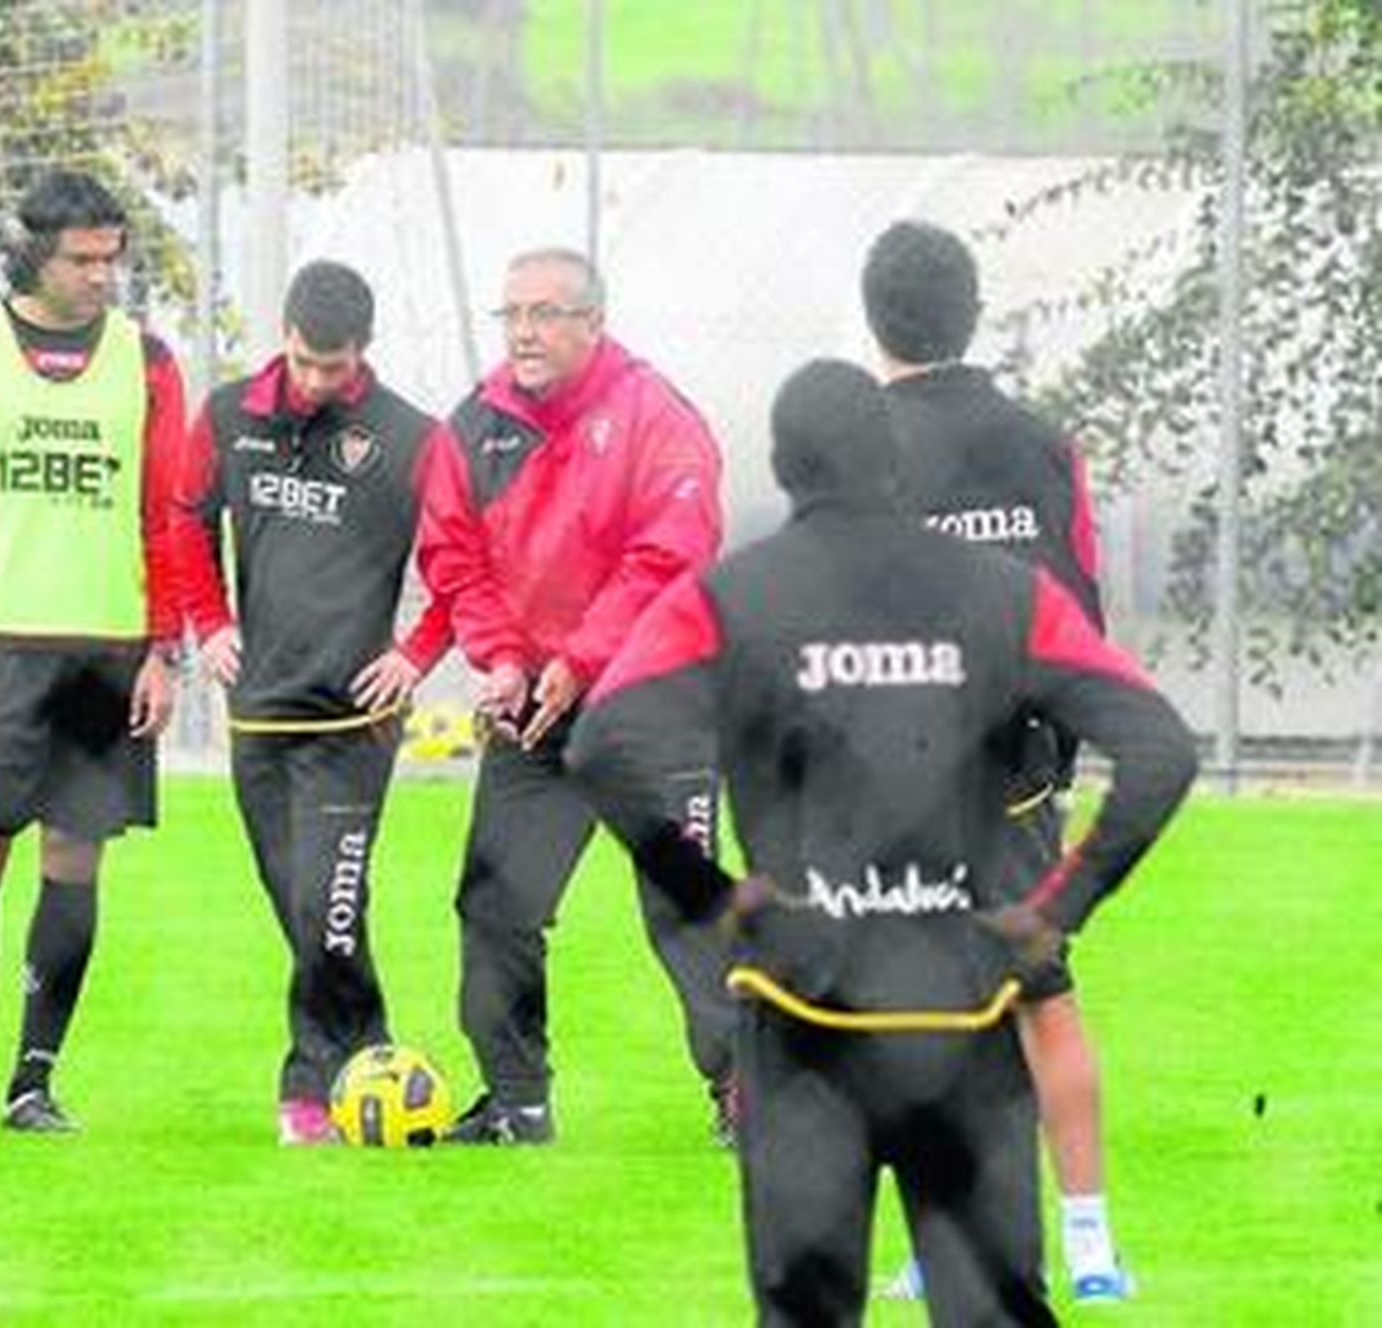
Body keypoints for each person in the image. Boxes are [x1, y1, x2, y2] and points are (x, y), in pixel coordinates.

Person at [567, 359, 1198, 1326]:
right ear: (895, 461)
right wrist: (1054, 910)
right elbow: (1158, 748)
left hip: (802, 1015)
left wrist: (711, 897)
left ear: (780, 466)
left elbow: (604, 743)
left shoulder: (732, 597)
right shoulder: (1005, 595)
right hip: (963, 1015)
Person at [862, 218, 1132, 1303]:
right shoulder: (1041, 441)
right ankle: (1092, 1246)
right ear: (971, 312)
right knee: (1042, 1000)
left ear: (875, 319)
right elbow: (1081, 602)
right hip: (1018, 767)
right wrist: (1057, 749)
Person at [0, 169, 185, 1134]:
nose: (103, 277)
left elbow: (165, 518)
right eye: (83, 260)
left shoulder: (148, 363)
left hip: (102, 649)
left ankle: (34, 1082)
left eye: (113, 259)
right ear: (35, 256)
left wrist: (161, 648)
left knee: (74, 861)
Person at [415, 246, 737, 1144]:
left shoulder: (657, 417)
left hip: (656, 705)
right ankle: (517, 1103)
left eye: (544, 313)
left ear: (593, 322)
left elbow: (670, 557)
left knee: (685, 907)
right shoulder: (472, 427)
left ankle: (747, 1092)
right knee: (494, 904)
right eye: (510, 313)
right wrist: (504, 659)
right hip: (535, 710)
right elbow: (452, 556)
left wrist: (581, 660)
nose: (523, 330)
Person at [171, 259, 448, 1145]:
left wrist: (416, 653)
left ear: (363, 353)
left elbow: (464, 563)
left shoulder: (412, 438)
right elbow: (182, 521)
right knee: (305, 909)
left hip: (354, 722)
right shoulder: (225, 417)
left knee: (329, 902)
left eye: (335, 368)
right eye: (304, 362)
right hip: (258, 715)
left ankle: (306, 1083)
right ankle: (375, 1058)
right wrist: (209, 622)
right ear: (284, 337)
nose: (317, 381)